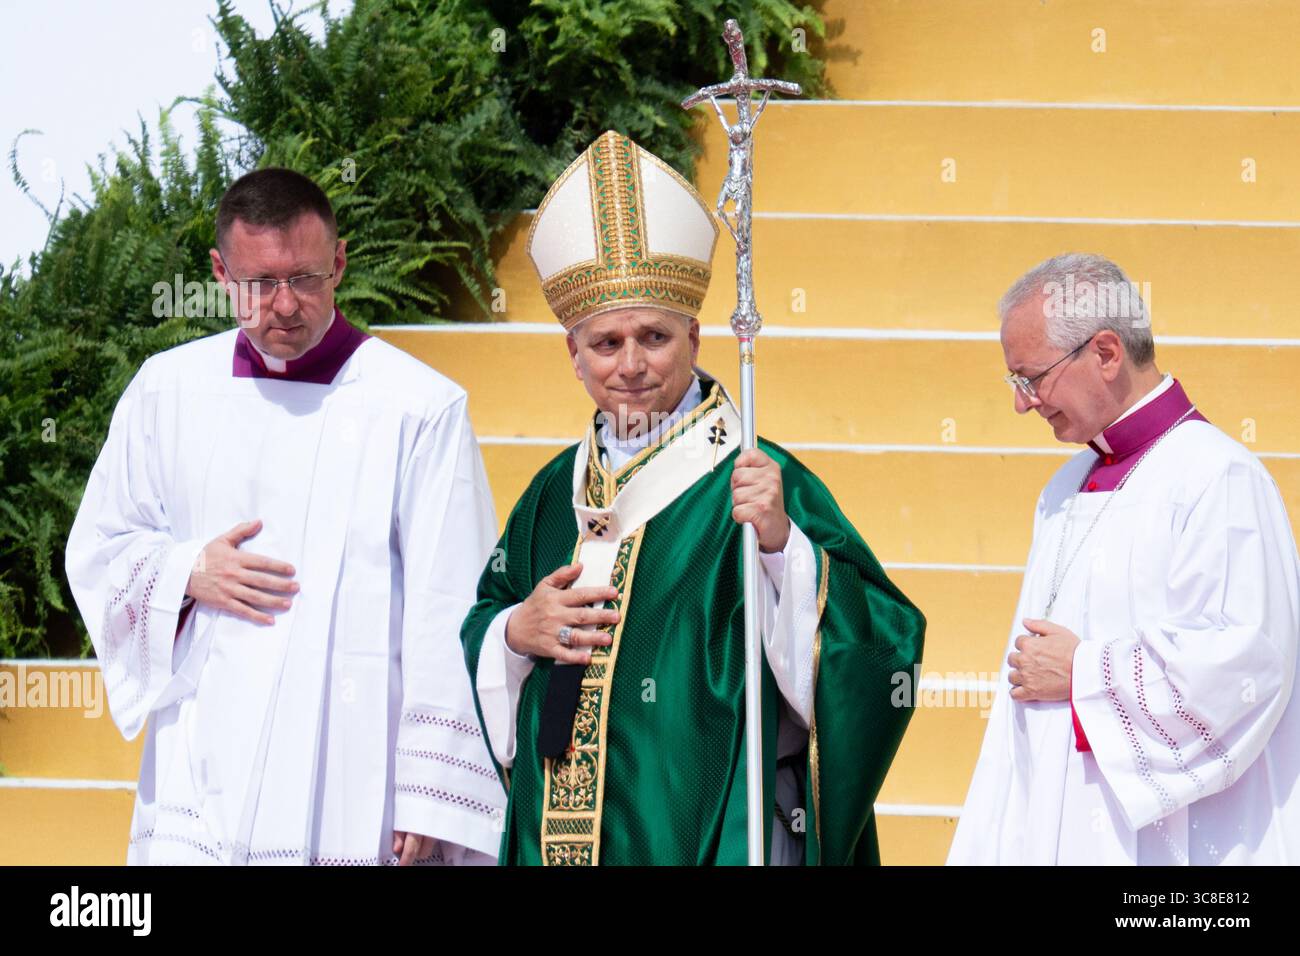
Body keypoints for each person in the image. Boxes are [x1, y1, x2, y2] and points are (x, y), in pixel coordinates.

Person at [459, 131, 925, 866]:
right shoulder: (551, 494)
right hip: (553, 827)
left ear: (696, 338)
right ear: (573, 356)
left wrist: (782, 550)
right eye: (606, 344)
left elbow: (884, 644)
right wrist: (516, 631)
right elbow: (485, 617)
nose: (633, 365)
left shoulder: (757, 479)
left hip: (704, 824)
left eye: (654, 336)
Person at [65, 167, 505, 865]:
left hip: (351, 769)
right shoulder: (167, 390)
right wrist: (184, 569)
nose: (284, 305)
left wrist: (431, 786)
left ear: (339, 261)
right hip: (203, 754)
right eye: (257, 283)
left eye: (304, 278)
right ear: (218, 270)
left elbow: (448, 599)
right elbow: (100, 547)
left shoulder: (419, 407)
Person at [948, 252, 1300, 865]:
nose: (1023, 403)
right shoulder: (1064, 486)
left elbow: (1248, 666)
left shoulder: (1219, 477)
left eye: (1032, 378)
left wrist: (1086, 672)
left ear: (1106, 353)